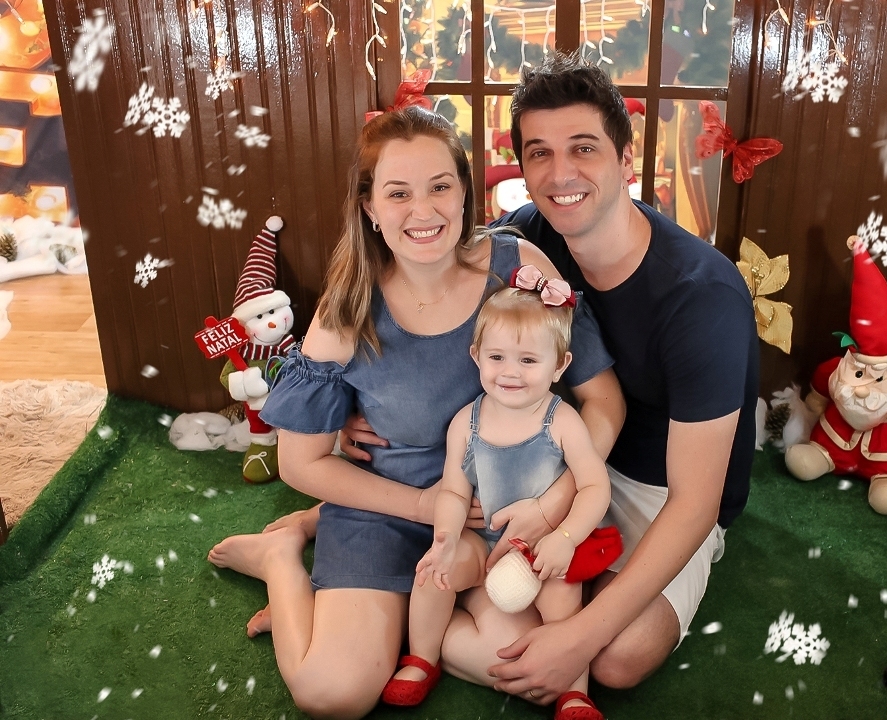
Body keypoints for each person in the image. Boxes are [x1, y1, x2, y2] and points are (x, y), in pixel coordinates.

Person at [206, 105, 624, 719]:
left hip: (498, 519)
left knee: (532, 671)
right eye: (398, 193)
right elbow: (300, 462)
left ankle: (398, 618)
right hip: (387, 508)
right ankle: (280, 561)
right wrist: (425, 506)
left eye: (439, 187)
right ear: (370, 207)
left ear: (465, 192)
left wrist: (555, 502)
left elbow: (604, 401)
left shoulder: (519, 270)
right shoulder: (348, 306)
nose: (422, 211)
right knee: (333, 695)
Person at [434, 52, 760, 702]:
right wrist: (355, 399)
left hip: (661, 487)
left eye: (583, 148)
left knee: (614, 658)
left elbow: (696, 503)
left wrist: (578, 641)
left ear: (625, 160)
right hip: (557, 451)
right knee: (449, 504)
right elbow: (426, 281)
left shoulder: (702, 296)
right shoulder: (531, 235)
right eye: (540, 154)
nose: (561, 174)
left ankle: (439, 634)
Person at [382, 282, 612, 720]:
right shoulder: (466, 423)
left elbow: (595, 488)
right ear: (476, 356)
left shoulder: (561, 421)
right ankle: (422, 658)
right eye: (497, 357)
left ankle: (574, 692)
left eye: (528, 360)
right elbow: (454, 491)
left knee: (563, 597)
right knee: (434, 572)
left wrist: (566, 537)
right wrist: (446, 538)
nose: (510, 372)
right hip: (482, 540)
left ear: (559, 365)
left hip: (543, 545)